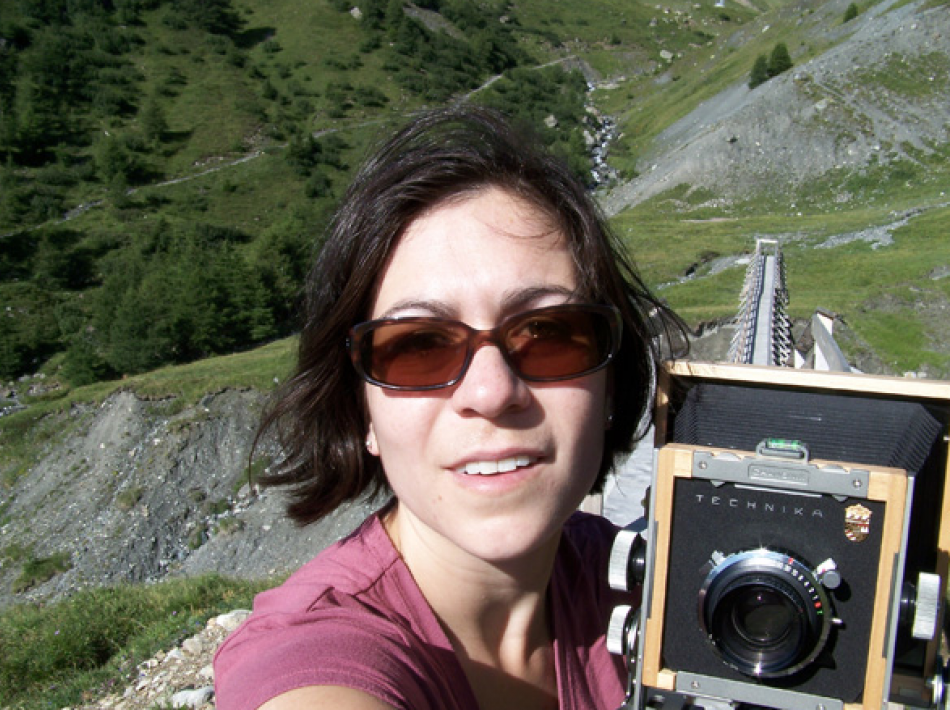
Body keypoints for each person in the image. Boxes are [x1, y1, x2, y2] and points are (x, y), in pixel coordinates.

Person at [213, 105, 686, 710]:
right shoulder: (318, 652)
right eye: (418, 347)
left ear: (611, 382)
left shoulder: (644, 584)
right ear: (362, 416)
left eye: (546, 333)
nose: (490, 393)